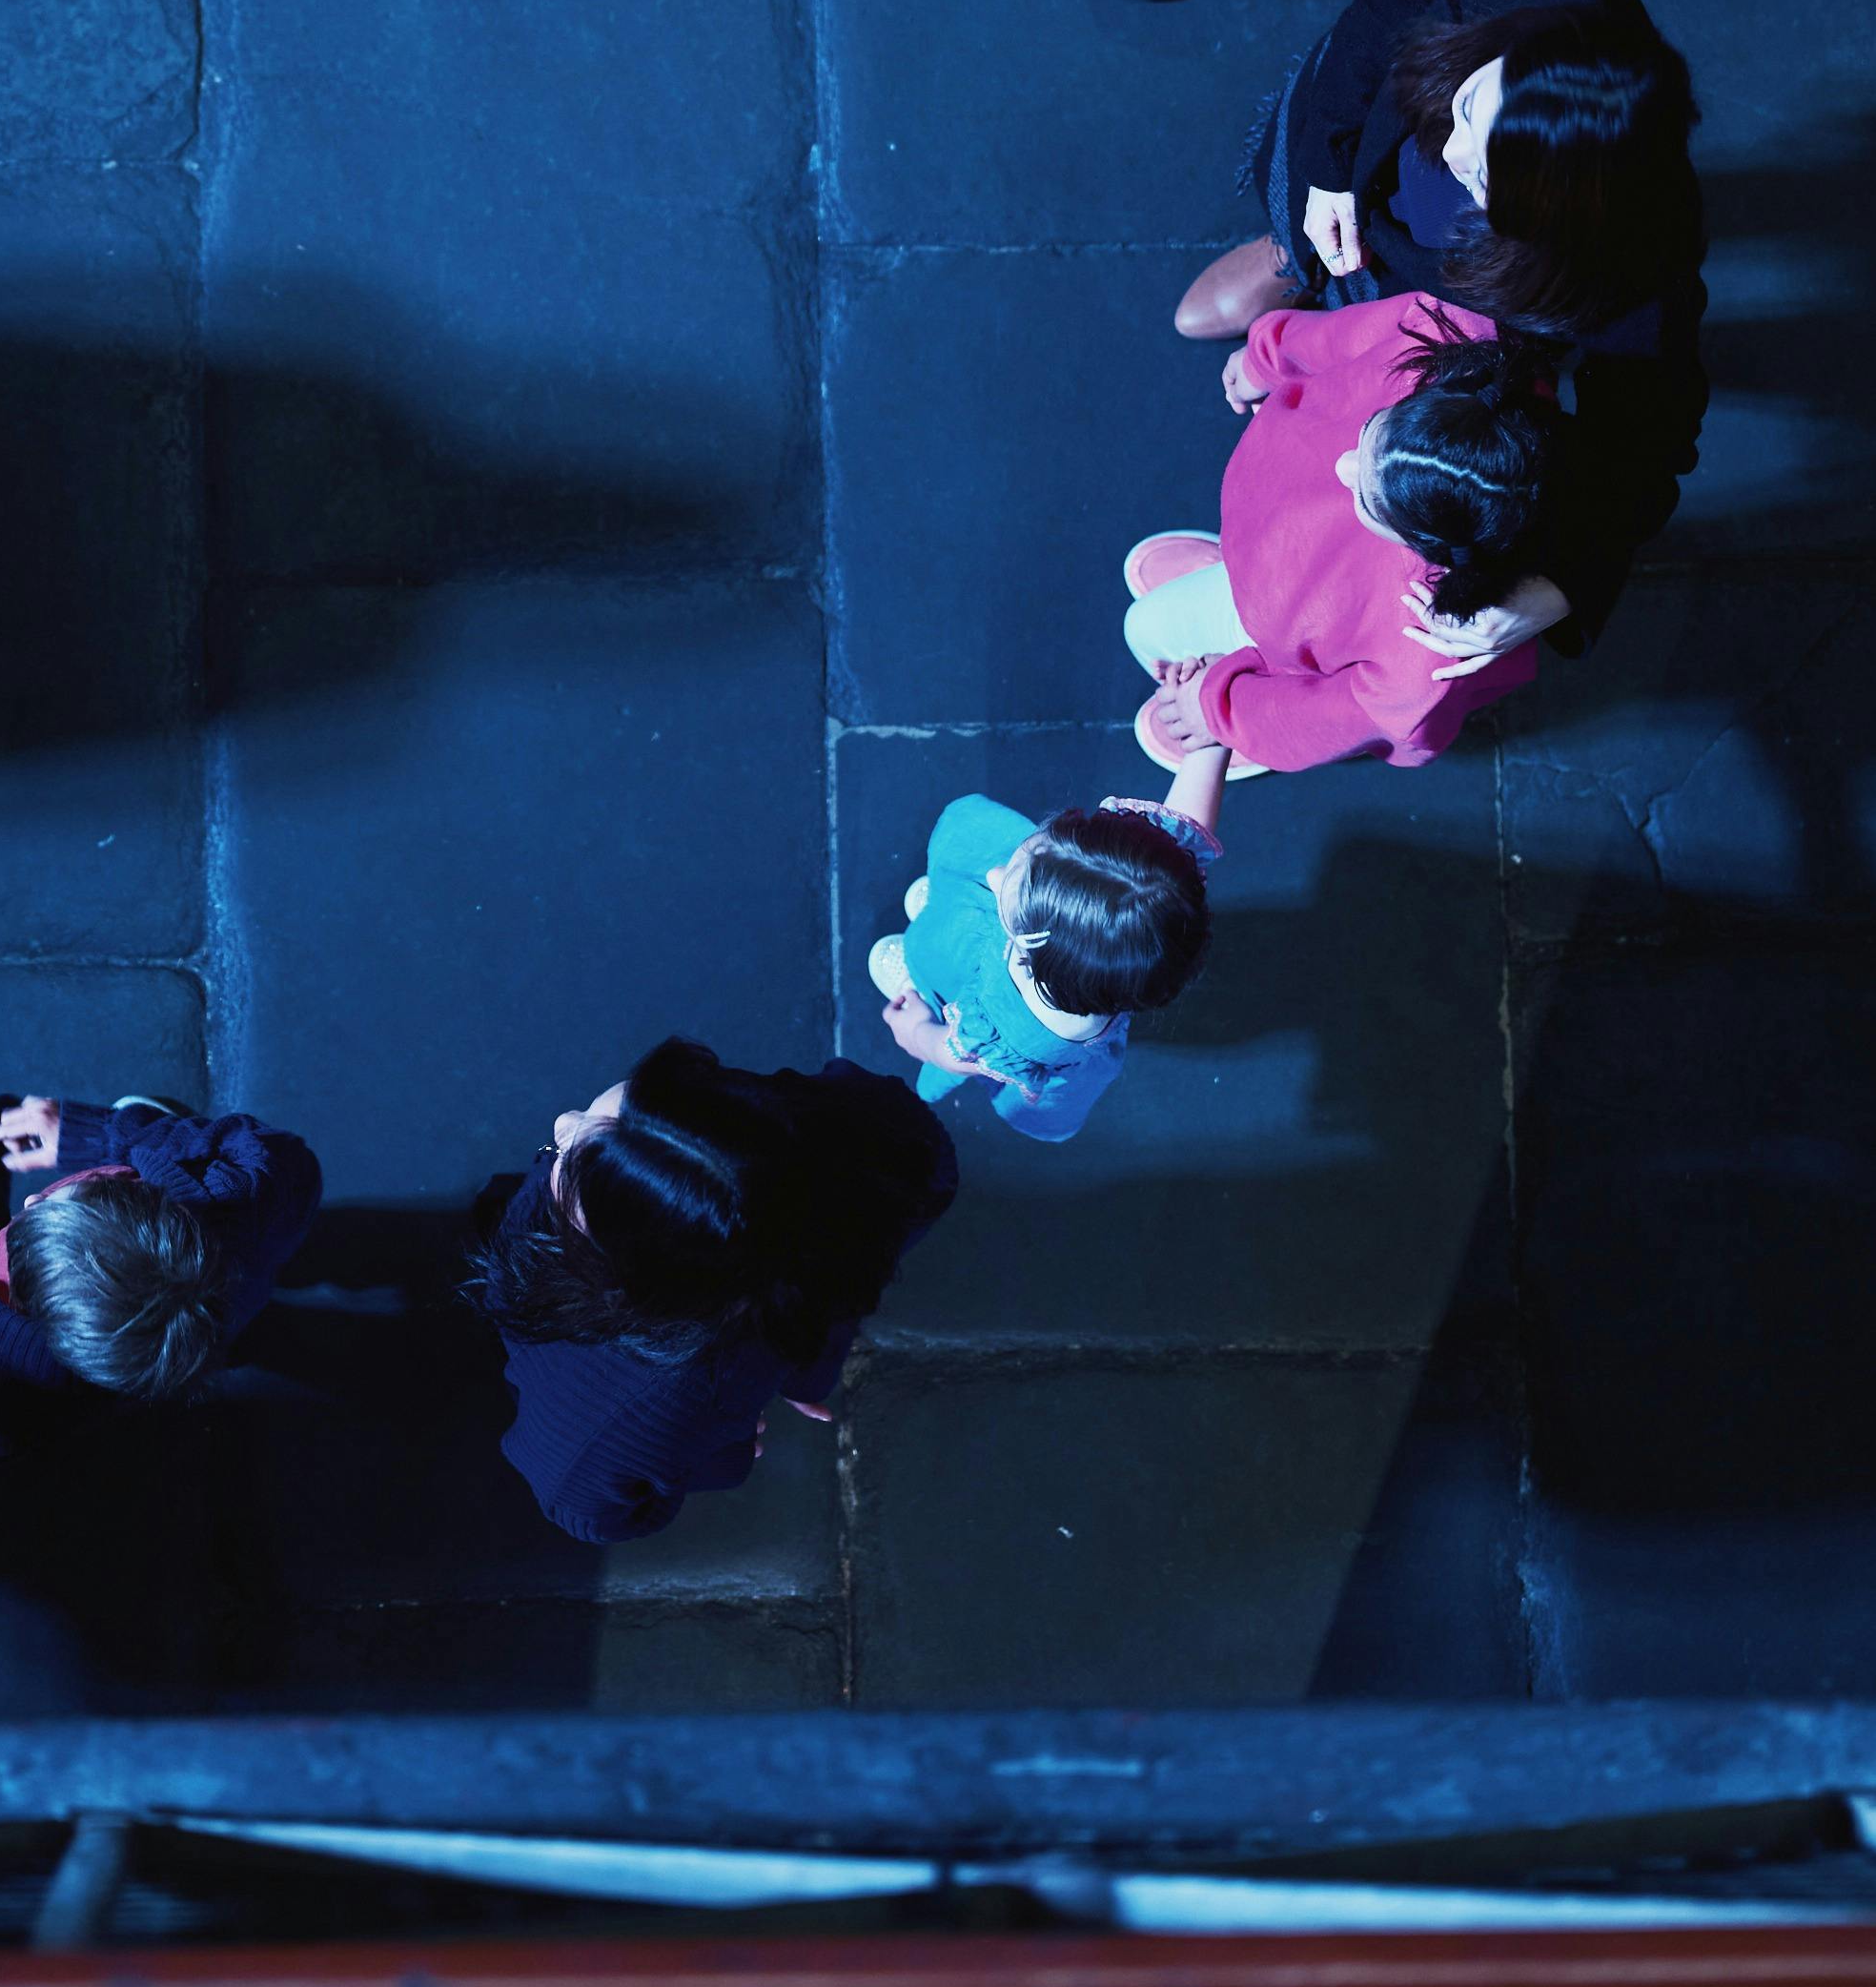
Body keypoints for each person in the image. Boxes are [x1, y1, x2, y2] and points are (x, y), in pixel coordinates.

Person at [1178, 0, 1708, 673]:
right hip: (1355, 163)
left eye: (1491, 186)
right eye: (1469, 109)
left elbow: (1645, 441)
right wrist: (1329, 164)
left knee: (1372, 326)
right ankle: (1297, 251)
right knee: (1313, 188)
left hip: (1438, 298)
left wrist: (1565, 583)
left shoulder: (1630, 265)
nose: (1453, 155)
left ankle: (1320, 271)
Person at [471, 1041, 952, 1545]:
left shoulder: (631, 1417)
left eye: (571, 1156)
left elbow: (589, 1509)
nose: (562, 1123)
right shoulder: (865, 1148)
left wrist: (724, 1452)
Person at [1119, 294, 1565, 777]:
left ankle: (1250, 664)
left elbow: (1331, 717)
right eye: (1373, 432)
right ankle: (1242, 582)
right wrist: (1268, 357)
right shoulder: (1448, 339)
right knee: (1145, 627)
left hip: (1303, 634)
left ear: (1433, 548)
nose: (1343, 465)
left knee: (1143, 630)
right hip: (1282, 554)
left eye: (1369, 499)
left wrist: (1220, 710)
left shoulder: (1426, 648)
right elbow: (1342, 337)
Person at [0, 1092, 325, 1454]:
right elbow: (284, 1161)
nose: (29, 1199)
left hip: (131, 1383)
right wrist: (100, 1134)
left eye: (38, 1206)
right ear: (141, 1189)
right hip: (241, 1288)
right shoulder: (237, 1194)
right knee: (133, 1111)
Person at [866, 765, 1223, 1147]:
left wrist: (917, 1031)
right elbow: (1184, 826)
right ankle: (945, 911)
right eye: (1039, 851)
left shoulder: (1013, 1028)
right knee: (961, 900)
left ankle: (924, 976)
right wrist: (1210, 738)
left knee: (953, 938)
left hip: (984, 990)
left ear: (1043, 964)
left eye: (1010, 900)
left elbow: (956, 1054)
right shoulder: (1158, 884)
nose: (994, 875)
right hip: (1038, 934)